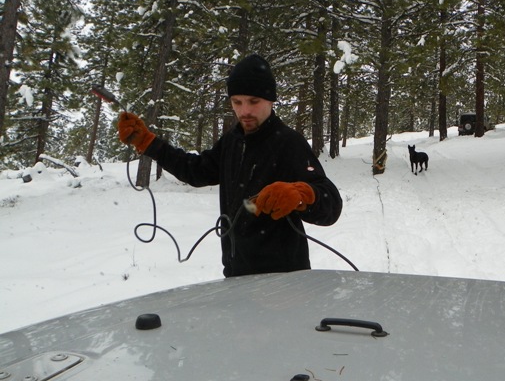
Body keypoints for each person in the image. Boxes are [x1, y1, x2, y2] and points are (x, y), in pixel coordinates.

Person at [117, 54, 342, 277]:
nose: (245, 111)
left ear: (271, 100)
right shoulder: (232, 141)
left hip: (284, 281)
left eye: (254, 101)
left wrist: (302, 194)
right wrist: (148, 143)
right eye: (237, 102)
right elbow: (196, 171)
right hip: (237, 276)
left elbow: (331, 204)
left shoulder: (288, 142)